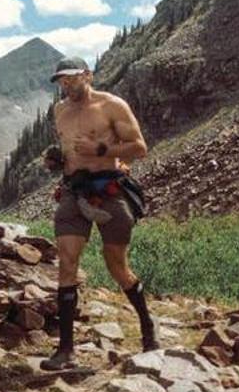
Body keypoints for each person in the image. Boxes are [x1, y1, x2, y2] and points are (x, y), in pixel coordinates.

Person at [40, 56, 155, 370]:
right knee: (67, 262)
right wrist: (57, 160)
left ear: (87, 75)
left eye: (71, 78)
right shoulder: (60, 111)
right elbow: (68, 150)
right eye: (61, 80)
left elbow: (139, 147)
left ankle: (148, 331)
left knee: (117, 266)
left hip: (109, 189)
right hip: (74, 191)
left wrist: (101, 150)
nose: (66, 85)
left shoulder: (112, 106)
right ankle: (65, 351)